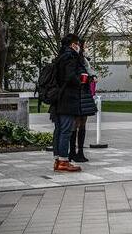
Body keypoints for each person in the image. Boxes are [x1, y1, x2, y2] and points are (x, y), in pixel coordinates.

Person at [51, 34, 83, 172]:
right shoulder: (70, 57)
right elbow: (70, 76)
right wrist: (80, 80)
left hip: (57, 98)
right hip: (67, 99)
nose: (79, 46)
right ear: (72, 44)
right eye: (77, 43)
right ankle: (63, 161)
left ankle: (58, 160)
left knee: (58, 130)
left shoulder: (60, 57)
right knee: (65, 130)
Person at [69, 39, 97, 162]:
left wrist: (91, 77)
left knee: (82, 122)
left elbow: (89, 70)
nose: (82, 47)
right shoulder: (72, 58)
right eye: (80, 45)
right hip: (77, 92)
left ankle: (79, 151)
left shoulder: (83, 59)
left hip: (84, 93)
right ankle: (73, 151)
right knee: (76, 123)